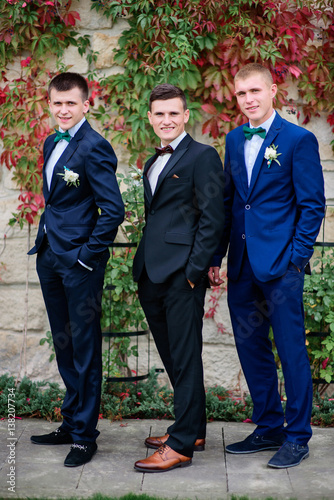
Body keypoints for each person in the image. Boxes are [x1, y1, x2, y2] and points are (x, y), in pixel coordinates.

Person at [209, 63, 325, 469]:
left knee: (291, 352)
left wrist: (296, 260)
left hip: (282, 268)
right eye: (241, 95)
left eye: (255, 91)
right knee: (251, 348)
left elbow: (312, 206)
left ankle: (297, 436)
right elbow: (230, 204)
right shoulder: (233, 139)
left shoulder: (298, 140)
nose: (249, 100)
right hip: (241, 265)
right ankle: (268, 426)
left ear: (273, 90)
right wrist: (216, 257)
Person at [28, 72, 124, 467]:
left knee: (84, 349)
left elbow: (113, 209)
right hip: (50, 256)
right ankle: (70, 422)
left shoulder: (95, 147)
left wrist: (87, 256)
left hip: (79, 264)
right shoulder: (52, 141)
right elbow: (57, 202)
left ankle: (85, 437)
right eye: (57, 103)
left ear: (86, 104)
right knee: (64, 344)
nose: (64, 110)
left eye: (71, 103)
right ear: (49, 105)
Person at [132, 83, 225, 472]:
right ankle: (194, 427)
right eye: (159, 114)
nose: (166, 120)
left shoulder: (202, 157)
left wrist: (193, 273)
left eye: (174, 113)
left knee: (185, 358)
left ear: (186, 116)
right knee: (174, 357)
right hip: (150, 272)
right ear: (150, 118)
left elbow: (214, 218)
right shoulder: (154, 160)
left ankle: (182, 444)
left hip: (181, 275)